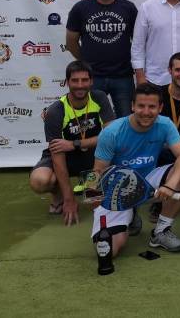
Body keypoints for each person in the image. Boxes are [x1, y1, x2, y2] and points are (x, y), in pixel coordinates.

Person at [90, 83, 180, 255]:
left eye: (152, 106)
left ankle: (161, 231)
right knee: (108, 251)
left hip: (148, 182)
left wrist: (170, 186)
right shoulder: (111, 132)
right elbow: (97, 171)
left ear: (160, 107)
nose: (146, 112)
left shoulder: (165, 124)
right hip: (117, 191)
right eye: (141, 106)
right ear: (132, 106)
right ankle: (129, 215)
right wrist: (91, 196)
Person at [29, 60, 115, 226]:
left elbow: (111, 136)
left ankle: (89, 187)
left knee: (95, 203)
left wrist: (74, 143)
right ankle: (59, 194)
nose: (80, 85)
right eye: (75, 81)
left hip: (92, 157)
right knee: (39, 181)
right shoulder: (55, 111)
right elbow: (58, 158)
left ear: (91, 81)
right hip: (64, 157)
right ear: (67, 82)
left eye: (84, 80)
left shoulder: (99, 98)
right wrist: (69, 199)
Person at [65, 0, 138, 118]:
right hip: (92, 78)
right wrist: (85, 61)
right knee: (90, 122)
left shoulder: (129, 8)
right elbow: (71, 42)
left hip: (123, 76)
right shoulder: (80, 8)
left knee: (126, 121)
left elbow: (138, 42)